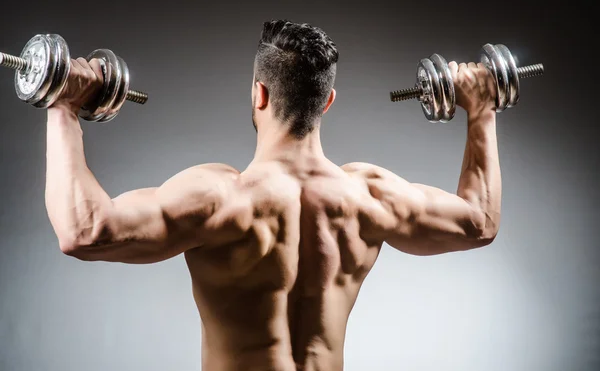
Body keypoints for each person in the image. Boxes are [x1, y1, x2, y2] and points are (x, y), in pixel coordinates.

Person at [45, 19, 501, 371]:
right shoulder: (369, 197)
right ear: (327, 101)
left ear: (258, 94)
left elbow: (85, 231)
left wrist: (63, 106)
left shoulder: (219, 198)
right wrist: (481, 109)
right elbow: (479, 222)